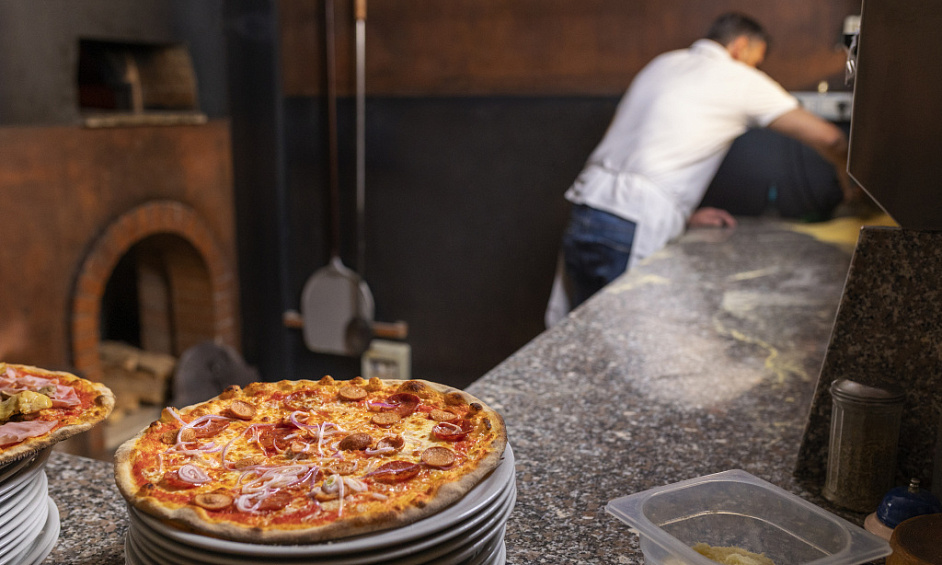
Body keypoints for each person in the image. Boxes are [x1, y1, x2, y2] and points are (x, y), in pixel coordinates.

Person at [546, 12, 857, 326]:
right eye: (756, 60)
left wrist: (683, 215)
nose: (755, 68)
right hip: (633, 221)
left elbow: (640, 151)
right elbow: (831, 139)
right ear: (740, 46)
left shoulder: (663, 63)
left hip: (588, 207)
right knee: (629, 340)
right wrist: (849, 187)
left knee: (581, 336)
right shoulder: (738, 78)